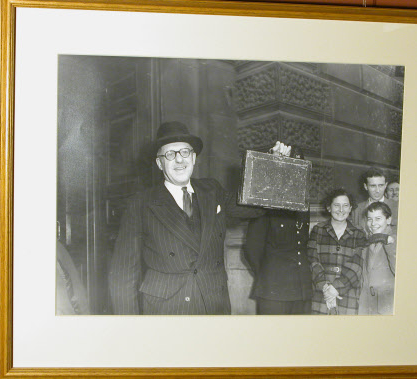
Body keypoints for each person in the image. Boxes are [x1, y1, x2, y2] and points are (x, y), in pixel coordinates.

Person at [109, 121, 289, 315]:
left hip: (213, 307)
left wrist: (275, 166)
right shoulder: (141, 204)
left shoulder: (212, 190)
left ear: (194, 158)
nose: (179, 160)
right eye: (170, 154)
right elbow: (122, 275)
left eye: (185, 152)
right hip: (167, 312)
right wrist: (128, 329)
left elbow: (255, 208)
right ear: (160, 163)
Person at [244, 147, 312, 315]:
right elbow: (252, 249)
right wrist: (271, 274)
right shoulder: (265, 202)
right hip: (274, 290)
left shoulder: (303, 205)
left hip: (302, 290)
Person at [307, 188, 366, 315]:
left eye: (345, 206)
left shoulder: (359, 233)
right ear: (329, 208)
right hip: (322, 294)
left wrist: (336, 288)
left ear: (350, 208)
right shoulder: (318, 230)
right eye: (336, 205)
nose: (341, 210)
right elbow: (312, 260)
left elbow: (357, 265)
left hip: (347, 294)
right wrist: (325, 287)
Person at [358, 202, 396, 315]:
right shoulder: (367, 241)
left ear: (388, 220)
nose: (373, 223)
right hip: (366, 304)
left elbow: (399, 271)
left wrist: (389, 243)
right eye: (370, 219)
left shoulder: (396, 240)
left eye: (378, 218)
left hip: (386, 304)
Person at [351, 167, 398, 232]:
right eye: (373, 186)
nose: (377, 190)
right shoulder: (357, 209)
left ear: (385, 185)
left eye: (381, 185)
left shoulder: (397, 207)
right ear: (365, 186)